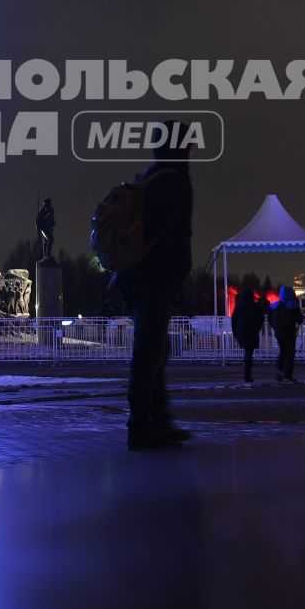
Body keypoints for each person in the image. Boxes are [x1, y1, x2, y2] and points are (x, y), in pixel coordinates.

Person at [109, 128, 194, 449]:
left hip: (132, 277)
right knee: (148, 354)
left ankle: (158, 420)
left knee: (154, 351)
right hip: (154, 279)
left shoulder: (148, 179)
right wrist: (179, 281)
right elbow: (178, 238)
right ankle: (141, 426)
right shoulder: (176, 183)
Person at [271, 287, 305, 384]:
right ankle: (288, 376)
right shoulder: (293, 305)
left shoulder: (276, 306)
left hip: (279, 333)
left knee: (283, 351)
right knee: (290, 354)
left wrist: (275, 327)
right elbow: (299, 319)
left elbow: (271, 319)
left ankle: (279, 368)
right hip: (289, 332)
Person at [231, 286, 265, 383]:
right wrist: (257, 328)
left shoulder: (239, 305)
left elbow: (234, 319)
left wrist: (235, 332)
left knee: (247, 352)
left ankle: (247, 372)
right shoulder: (254, 306)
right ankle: (247, 374)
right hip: (251, 331)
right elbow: (261, 318)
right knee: (249, 353)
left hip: (241, 331)